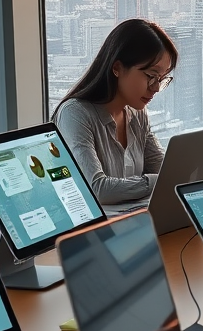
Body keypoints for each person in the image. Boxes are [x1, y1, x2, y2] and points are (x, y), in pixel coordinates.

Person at [53, 19, 177, 205]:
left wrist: (172, 176)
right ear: (117, 68)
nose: (156, 88)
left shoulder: (137, 114)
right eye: (151, 76)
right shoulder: (75, 114)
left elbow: (163, 169)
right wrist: (159, 181)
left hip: (129, 223)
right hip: (92, 231)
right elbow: (97, 189)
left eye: (161, 79)